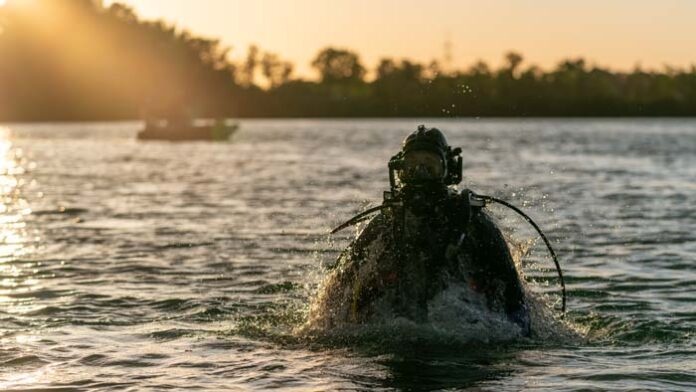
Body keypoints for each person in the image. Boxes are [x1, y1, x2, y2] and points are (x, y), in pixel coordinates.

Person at [317, 125, 530, 335]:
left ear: (448, 170)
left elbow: (513, 293)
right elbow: (341, 282)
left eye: (430, 166)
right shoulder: (387, 222)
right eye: (413, 166)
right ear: (400, 171)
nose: (421, 173)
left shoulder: (472, 223)